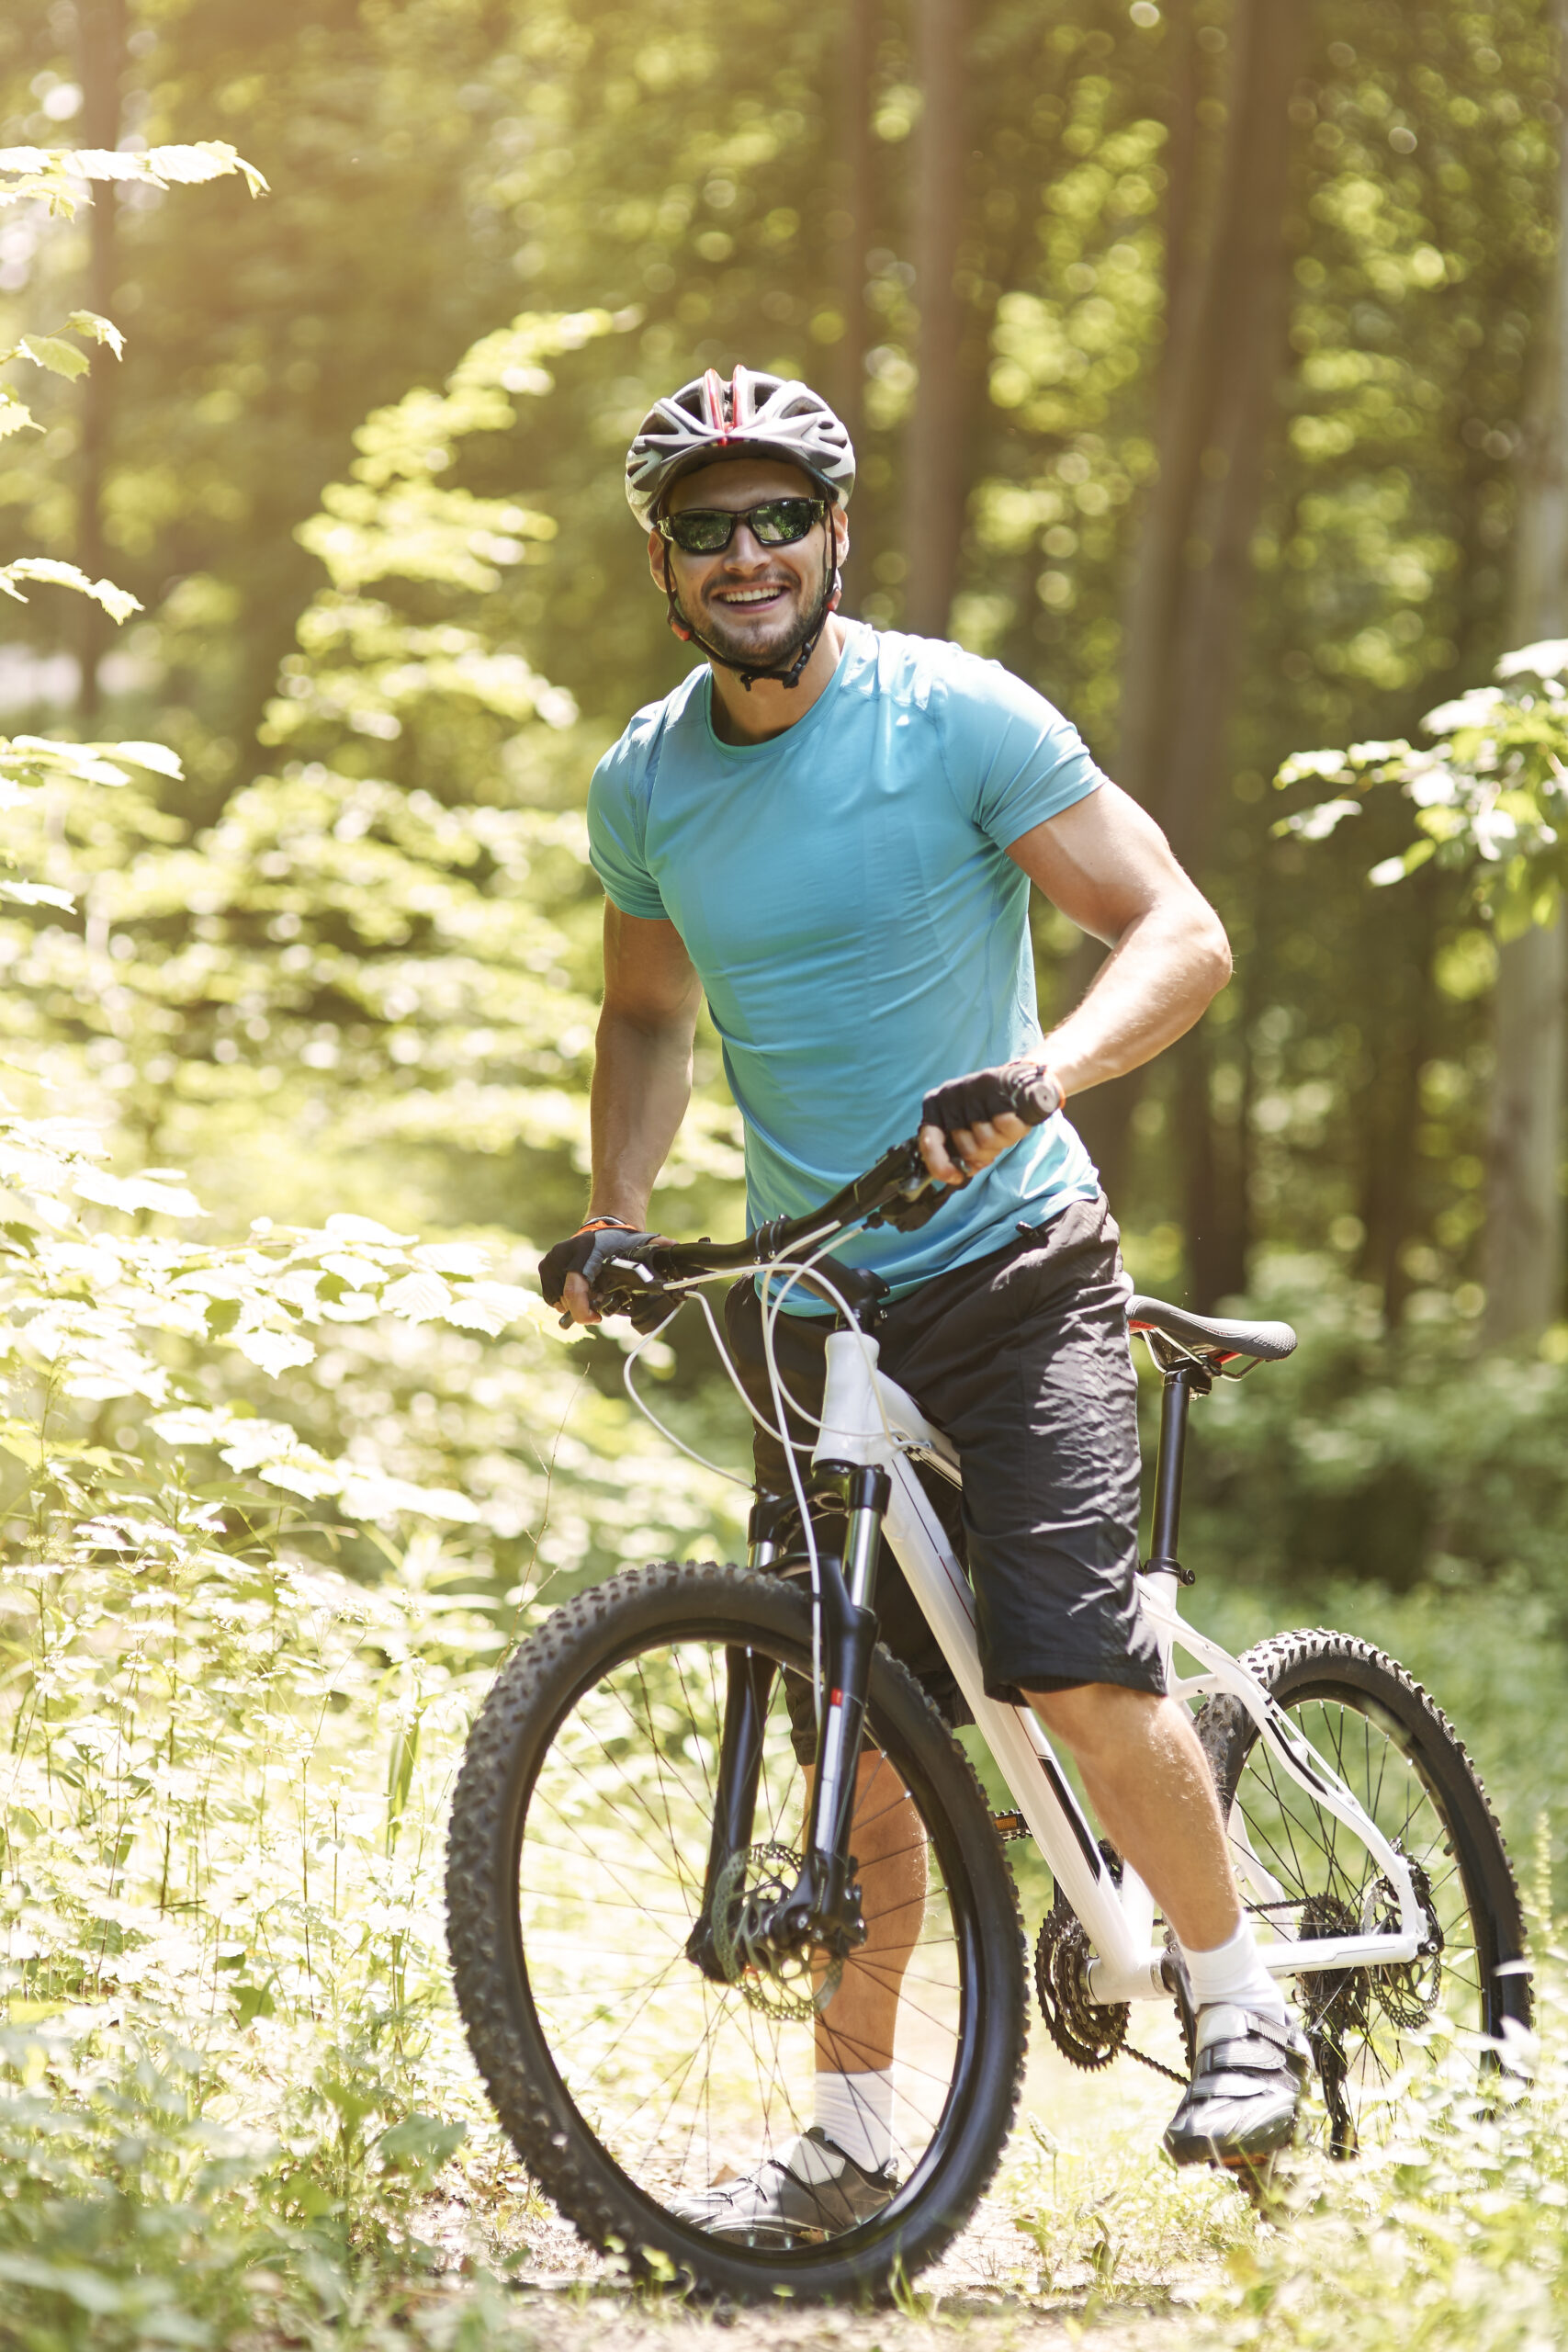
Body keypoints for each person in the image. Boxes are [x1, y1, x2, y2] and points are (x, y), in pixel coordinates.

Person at [538, 365, 1308, 2234]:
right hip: (814, 1299)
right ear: (662, 557)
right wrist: (615, 1211)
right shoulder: (646, 780)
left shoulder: (950, 712)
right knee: (850, 1713)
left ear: (832, 529)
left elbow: (1179, 930)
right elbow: (646, 1012)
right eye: (706, 524)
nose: (746, 552)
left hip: (1014, 1259)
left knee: (1065, 1653)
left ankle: (1238, 2005)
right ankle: (855, 2123)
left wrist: (1033, 1077)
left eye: (776, 513)